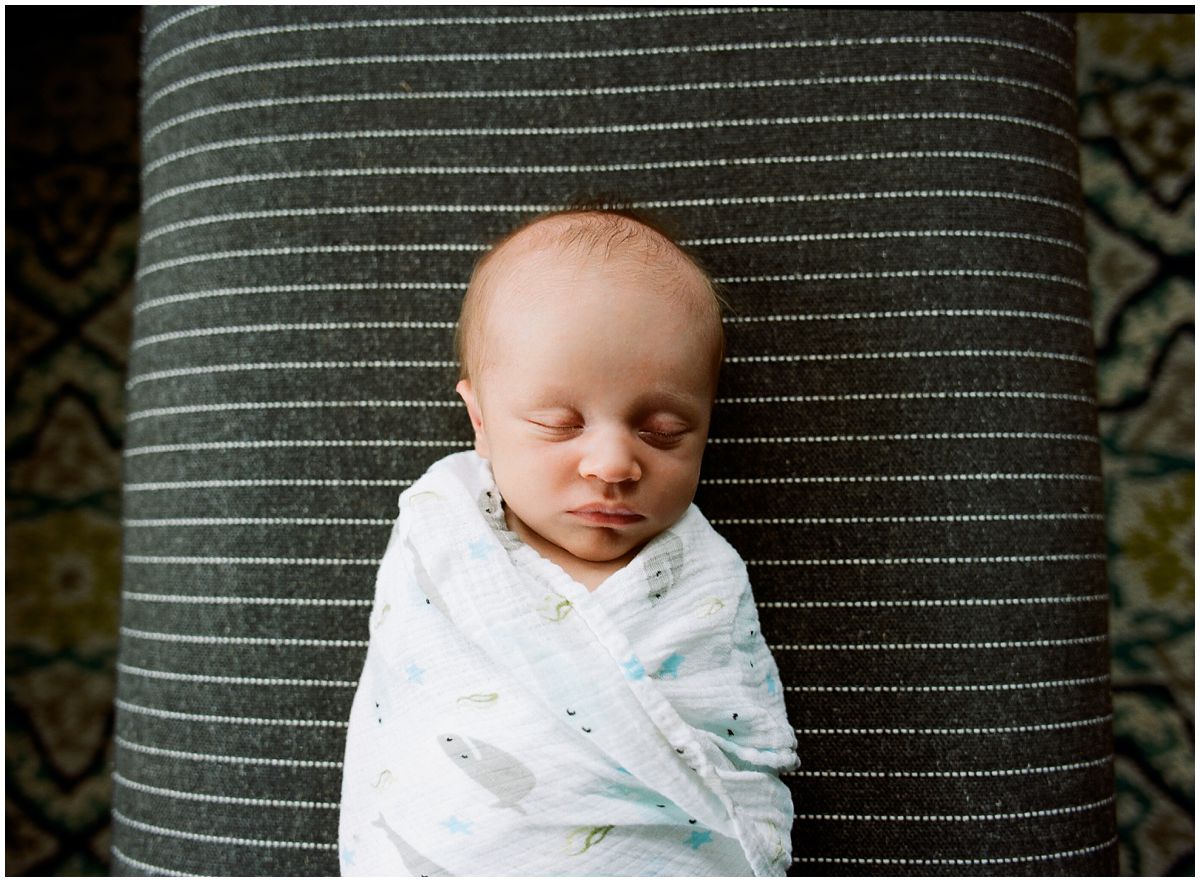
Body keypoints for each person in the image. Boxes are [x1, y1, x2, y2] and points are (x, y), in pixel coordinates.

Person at [339, 208, 797, 877]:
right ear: (482, 420)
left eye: (665, 430)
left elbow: (742, 746)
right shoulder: (442, 531)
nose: (613, 464)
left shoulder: (704, 577)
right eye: (559, 424)